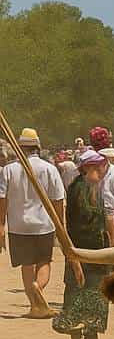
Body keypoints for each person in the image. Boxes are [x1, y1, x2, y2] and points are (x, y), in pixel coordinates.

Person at [0, 127, 66, 318]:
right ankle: (38, 286)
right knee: (44, 261)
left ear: (20, 147)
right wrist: (60, 223)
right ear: (37, 146)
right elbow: (58, 199)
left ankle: (33, 305)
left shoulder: (9, 170)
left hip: (18, 225)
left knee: (26, 265)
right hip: (44, 224)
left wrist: (1, 225)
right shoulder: (49, 168)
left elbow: (2, 198)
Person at [52, 150, 112, 339]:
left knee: (89, 295)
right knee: (81, 294)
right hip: (85, 252)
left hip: (91, 254)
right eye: (98, 167)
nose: (102, 171)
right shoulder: (81, 188)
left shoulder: (89, 186)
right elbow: (86, 221)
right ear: (88, 168)